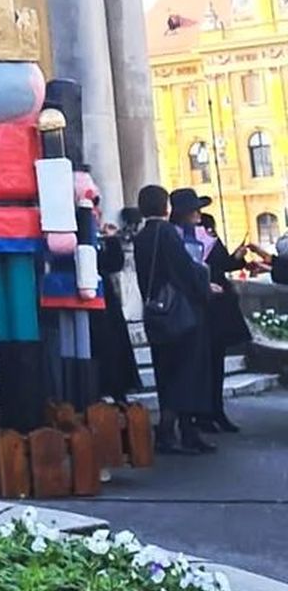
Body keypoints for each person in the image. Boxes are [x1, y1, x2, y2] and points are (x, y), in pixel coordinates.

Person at [134, 183, 213, 455]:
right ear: (165, 206)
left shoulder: (141, 237)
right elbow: (185, 270)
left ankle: (177, 432)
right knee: (185, 373)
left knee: (165, 372)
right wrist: (206, 285)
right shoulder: (167, 232)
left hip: (156, 312)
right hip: (179, 313)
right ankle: (174, 432)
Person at [183, 203, 256, 433]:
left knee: (215, 362)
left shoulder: (208, 237)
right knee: (206, 364)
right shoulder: (184, 237)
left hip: (217, 306)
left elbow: (224, 264)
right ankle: (204, 413)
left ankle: (214, 410)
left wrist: (237, 257)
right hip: (205, 305)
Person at [93, 218, 141, 404]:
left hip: (105, 300)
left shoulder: (97, 239)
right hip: (96, 300)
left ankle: (117, 391)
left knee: (113, 345)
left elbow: (114, 263)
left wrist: (111, 240)